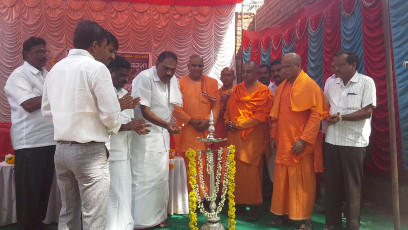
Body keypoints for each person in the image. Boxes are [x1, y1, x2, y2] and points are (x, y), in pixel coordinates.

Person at [41, 20, 121, 230]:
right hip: (90, 151)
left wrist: (67, 125)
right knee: (93, 218)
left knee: (68, 214)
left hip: (61, 150)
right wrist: (110, 130)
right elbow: (111, 115)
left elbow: (46, 111)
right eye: (106, 47)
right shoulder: (96, 68)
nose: (108, 54)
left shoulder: (55, 69)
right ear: (95, 45)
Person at [268, 53, 328, 230]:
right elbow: (276, 116)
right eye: (282, 67)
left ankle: (305, 220)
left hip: (300, 145)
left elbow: (316, 115)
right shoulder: (281, 88)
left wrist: (304, 139)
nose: (283, 70)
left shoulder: (310, 86)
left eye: (287, 67)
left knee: (302, 183)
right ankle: (282, 215)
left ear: (298, 66)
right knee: (282, 182)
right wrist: (273, 136)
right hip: (283, 143)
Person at [4, 36, 55, 230]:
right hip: (29, 143)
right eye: (38, 52)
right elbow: (28, 104)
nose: (43, 55)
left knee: (43, 190)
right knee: (29, 193)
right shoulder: (20, 75)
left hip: (49, 140)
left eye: (44, 51)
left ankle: (38, 224)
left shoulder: (46, 74)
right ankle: (26, 226)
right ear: (25, 54)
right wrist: (55, 94)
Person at [323, 50, 376, 230]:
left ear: (353, 65)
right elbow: (325, 106)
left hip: (353, 143)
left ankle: (352, 225)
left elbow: (367, 111)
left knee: (352, 186)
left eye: (341, 65)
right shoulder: (331, 82)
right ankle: (332, 223)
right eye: (334, 65)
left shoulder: (366, 82)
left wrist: (341, 118)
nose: (336, 69)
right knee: (332, 184)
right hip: (331, 141)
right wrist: (326, 117)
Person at [131, 51, 182, 229]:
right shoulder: (144, 78)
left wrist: (169, 124)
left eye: (173, 70)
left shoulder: (172, 81)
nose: (169, 73)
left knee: (160, 178)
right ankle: (139, 220)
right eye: (165, 68)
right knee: (143, 178)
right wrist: (167, 125)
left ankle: (157, 217)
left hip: (162, 136)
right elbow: (144, 110)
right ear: (156, 64)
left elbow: (166, 108)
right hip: (145, 135)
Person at [105, 56, 150, 230]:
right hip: (110, 155)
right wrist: (128, 126)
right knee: (111, 198)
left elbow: (126, 122)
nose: (125, 79)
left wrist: (136, 127)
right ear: (110, 72)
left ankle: (124, 226)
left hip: (124, 153)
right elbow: (104, 124)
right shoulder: (104, 93)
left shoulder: (125, 95)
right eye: (122, 75)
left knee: (123, 196)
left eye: (127, 76)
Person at [225, 61, 273, 221]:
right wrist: (228, 122)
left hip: (252, 139)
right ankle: (237, 203)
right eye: (244, 71)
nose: (245, 74)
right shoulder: (237, 89)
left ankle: (254, 206)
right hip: (235, 137)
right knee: (235, 172)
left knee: (253, 174)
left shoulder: (264, 91)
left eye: (249, 71)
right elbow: (228, 110)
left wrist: (238, 125)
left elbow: (260, 117)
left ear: (257, 73)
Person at [172, 55, 221, 194]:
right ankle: (192, 197)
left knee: (207, 164)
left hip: (207, 130)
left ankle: (206, 196)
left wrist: (209, 121)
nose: (197, 68)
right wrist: (191, 120)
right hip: (188, 130)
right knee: (192, 163)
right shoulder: (179, 83)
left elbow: (216, 106)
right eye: (194, 65)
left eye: (200, 66)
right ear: (188, 66)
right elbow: (175, 107)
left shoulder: (211, 83)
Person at [214, 67, 236, 140]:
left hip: (233, 126)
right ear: (220, 78)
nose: (226, 78)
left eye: (229, 75)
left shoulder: (238, 91)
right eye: (224, 75)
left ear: (234, 77)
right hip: (219, 126)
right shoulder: (216, 93)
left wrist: (229, 102)